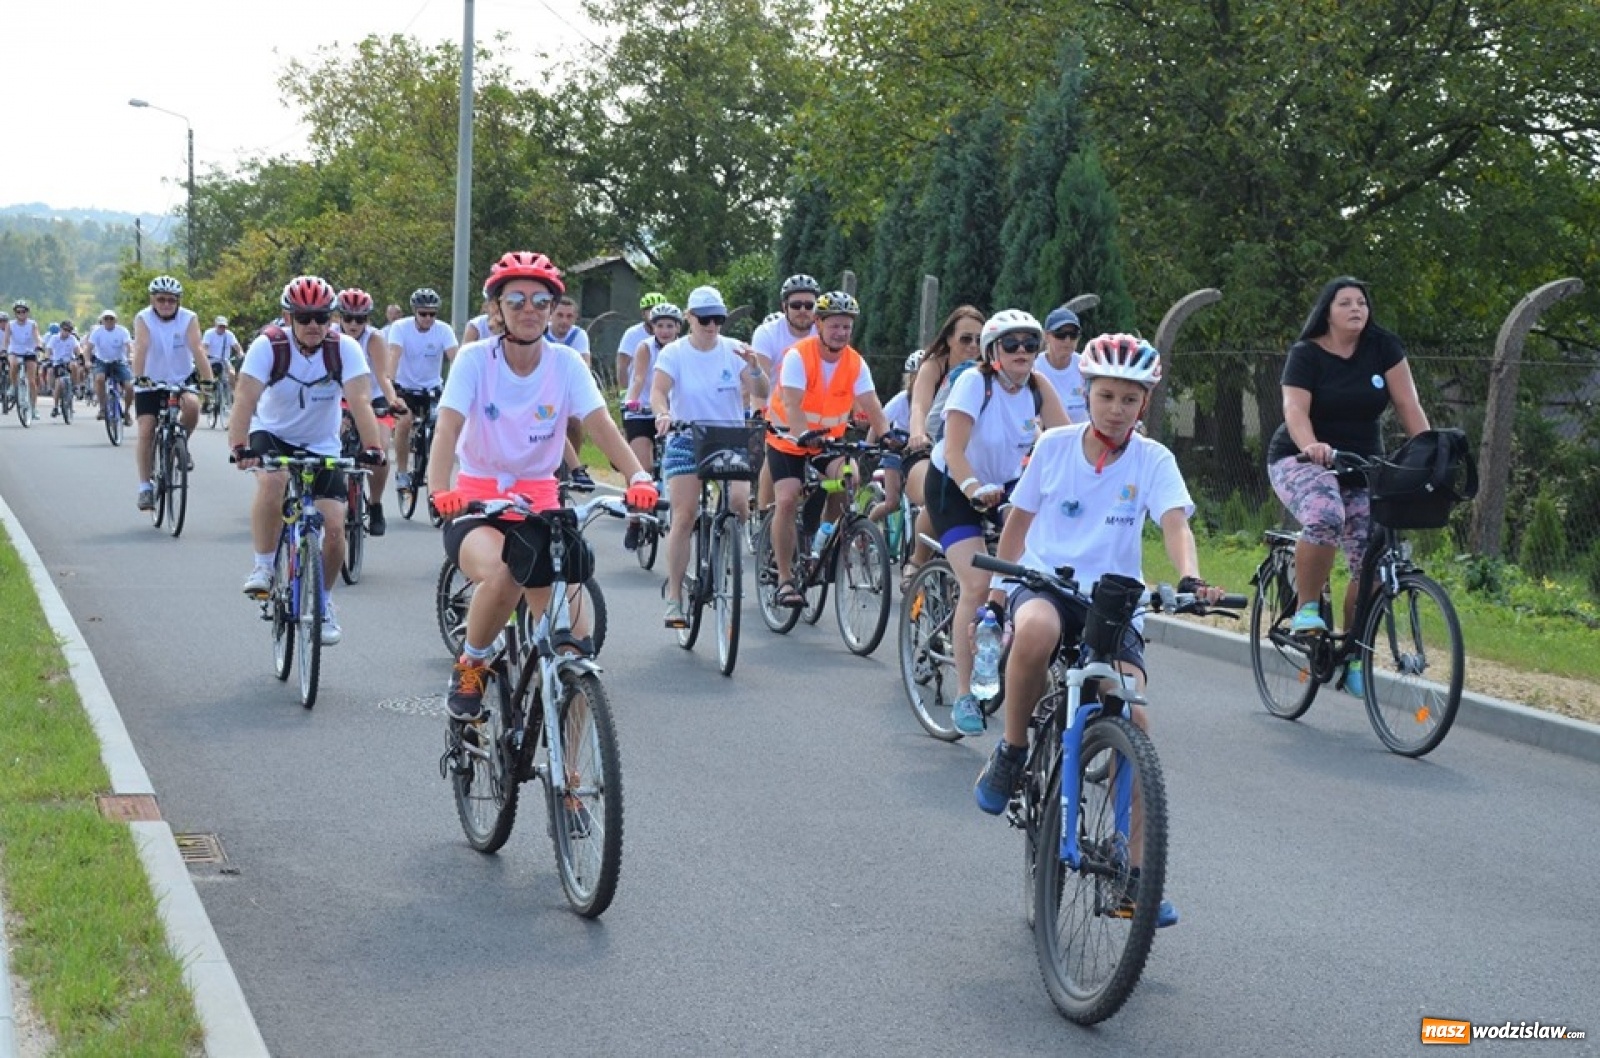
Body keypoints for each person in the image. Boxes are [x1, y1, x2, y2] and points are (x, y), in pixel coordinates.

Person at [970, 333, 1228, 929]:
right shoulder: (1055, 446)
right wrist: (1001, 591)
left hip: (1112, 600)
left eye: (1129, 399)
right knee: (1035, 631)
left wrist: (1190, 577)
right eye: (1106, 396)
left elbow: (1175, 524)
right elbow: (1019, 523)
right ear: (1086, 394)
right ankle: (1012, 750)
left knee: (1134, 716)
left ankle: (1132, 872)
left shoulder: (1153, 460)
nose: (1116, 409)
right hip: (1046, 584)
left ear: (1145, 404)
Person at [426, 251, 658, 723]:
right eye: (516, 300)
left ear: (553, 309)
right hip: (477, 503)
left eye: (540, 300)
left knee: (575, 647)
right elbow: (447, 428)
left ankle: (572, 764)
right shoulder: (475, 360)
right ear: (498, 308)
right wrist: (439, 489)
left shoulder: (565, 363)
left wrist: (637, 476)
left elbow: (601, 425)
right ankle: (472, 664)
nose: (529, 309)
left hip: (542, 507)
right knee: (504, 572)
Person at [1265, 276, 1431, 696]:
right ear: (1327, 312)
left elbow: (1409, 406)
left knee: (1374, 554)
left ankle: (1354, 655)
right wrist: (1312, 446)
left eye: (1362, 302)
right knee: (1325, 514)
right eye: (1345, 302)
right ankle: (1307, 608)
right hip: (1302, 459)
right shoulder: (1306, 354)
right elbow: (1294, 410)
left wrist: (1430, 455)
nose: (1356, 308)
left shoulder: (1383, 348)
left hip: (1362, 466)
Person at [924, 310, 1070, 734]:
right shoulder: (975, 382)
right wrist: (973, 488)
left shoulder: (1038, 387)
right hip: (955, 487)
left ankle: (1017, 645)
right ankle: (965, 695)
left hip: (1005, 488)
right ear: (993, 352)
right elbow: (954, 450)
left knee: (1038, 572)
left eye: (1030, 343)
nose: (1022, 351)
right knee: (977, 584)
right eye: (1011, 344)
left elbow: (1069, 441)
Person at [231, 276, 386, 646]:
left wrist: (373, 447)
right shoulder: (269, 346)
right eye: (304, 317)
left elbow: (360, 400)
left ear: (332, 318)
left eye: (321, 317)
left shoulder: (344, 348)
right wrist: (239, 445)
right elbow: (245, 397)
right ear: (289, 317)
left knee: (334, 528)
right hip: (272, 431)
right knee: (273, 480)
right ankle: (264, 567)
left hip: (321, 443)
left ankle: (324, 603)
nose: (313, 324)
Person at [764, 290, 898, 608]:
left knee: (850, 477)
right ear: (819, 324)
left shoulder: (855, 362)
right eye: (835, 325)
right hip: (787, 439)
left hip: (828, 442)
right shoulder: (798, 355)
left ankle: (823, 538)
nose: (840, 333)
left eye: (846, 327)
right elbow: (793, 404)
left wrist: (889, 436)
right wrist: (803, 435)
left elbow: (872, 404)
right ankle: (784, 579)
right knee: (787, 498)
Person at [650, 286, 769, 626]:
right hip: (686, 437)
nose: (712, 326)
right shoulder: (674, 353)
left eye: (718, 319)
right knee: (684, 515)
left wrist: (755, 368)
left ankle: (724, 546)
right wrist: (663, 414)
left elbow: (762, 391)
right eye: (705, 319)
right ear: (689, 318)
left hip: (729, 439)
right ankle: (675, 596)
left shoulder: (734, 350)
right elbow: (658, 391)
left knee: (739, 502)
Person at [900, 305, 986, 589]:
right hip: (927, 450)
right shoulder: (933, 366)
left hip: (968, 455)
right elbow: (919, 406)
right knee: (937, 491)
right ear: (949, 339)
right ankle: (916, 560)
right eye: (965, 339)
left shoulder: (990, 370)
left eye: (979, 339)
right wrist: (917, 434)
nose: (973, 346)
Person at [131, 276, 214, 510]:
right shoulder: (143, 318)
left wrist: (208, 380)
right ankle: (145, 488)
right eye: (161, 300)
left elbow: (197, 349)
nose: (166, 304)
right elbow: (141, 347)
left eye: (171, 300)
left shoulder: (188, 318)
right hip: (150, 380)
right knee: (147, 428)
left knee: (193, 406)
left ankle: (180, 445)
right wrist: (139, 376)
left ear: (178, 301)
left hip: (180, 378)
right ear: (152, 300)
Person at [749, 275, 820, 508]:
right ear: (784, 307)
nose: (803, 311)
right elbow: (759, 379)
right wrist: (759, 411)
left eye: (809, 305)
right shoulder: (768, 333)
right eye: (796, 305)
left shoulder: (823, 332)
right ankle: (764, 514)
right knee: (774, 455)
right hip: (777, 407)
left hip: (814, 409)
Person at [335, 287, 402, 535]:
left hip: (372, 399)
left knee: (380, 449)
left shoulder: (374, 338)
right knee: (329, 441)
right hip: (340, 398)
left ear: (368, 319)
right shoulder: (330, 336)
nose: (354, 324)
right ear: (339, 317)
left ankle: (375, 504)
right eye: (348, 318)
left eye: (360, 319)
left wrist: (393, 401)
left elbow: (383, 377)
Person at [620, 301, 684, 550]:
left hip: (672, 413)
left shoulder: (683, 349)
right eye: (660, 326)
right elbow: (638, 377)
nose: (665, 331)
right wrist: (631, 401)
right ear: (652, 327)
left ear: (678, 328)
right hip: (644, 411)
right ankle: (635, 521)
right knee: (642, 468)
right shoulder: (645, 347)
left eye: (670, 326)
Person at [388, 287, 459, 497]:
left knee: (441, 426)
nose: (428, 318)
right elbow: (393, 355)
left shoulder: (444, 330)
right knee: (404, 422)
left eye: (432, 314)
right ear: (414, 312)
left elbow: (456, 359)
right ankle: (402, 472)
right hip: (405, 387)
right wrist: (391, 385)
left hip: (432, 388)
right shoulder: (400, 328)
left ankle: (435, 471)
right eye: (423, 313)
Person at [865, 349, 920, 528]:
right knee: (892, 503)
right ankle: (865, 530)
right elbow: (878, 421)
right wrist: (869, 446)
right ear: (909, 378)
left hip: (918, 454)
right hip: (896, 451)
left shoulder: (936, 400)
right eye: (916, 377)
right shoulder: (902, 399)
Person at [1033, 305, 1088, 422]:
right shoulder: (1034, 369)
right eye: (1060, 334)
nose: (1067, 340)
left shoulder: (1086, 366)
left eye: (1073, 335)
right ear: (1046, 336)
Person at [616, 291, 667, 401]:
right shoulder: (632, 334)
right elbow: (622, 366)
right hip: (639, 398)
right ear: (643, 314)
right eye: (651, 310)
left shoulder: (670, 334)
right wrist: (624, 392)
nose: (655, 313)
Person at [85, 309, 134, 422]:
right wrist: (87, 361)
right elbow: (88, 348)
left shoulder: (122, 331)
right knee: (99, 379)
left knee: (129, 387)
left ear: (115, 320)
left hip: (119, 361)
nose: (108, 321)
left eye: (111, 318)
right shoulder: (97, 332)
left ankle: (126, 412)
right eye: (106, 318)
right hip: (102, 361)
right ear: (102, 321)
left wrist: (130, 356)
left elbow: (129, 346)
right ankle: (102, 408)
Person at [4, 300, 42, 412]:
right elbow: (6, 339)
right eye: (18, 312)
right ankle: (13, 385)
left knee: (32, 381)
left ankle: (34, 408)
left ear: (27, 312)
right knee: (13, 364)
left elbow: (37, 337)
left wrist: (38, 345)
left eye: (23, 311)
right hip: (15, 351)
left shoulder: (32, 324)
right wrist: (4, 349)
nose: (21, 314)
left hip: (29, 352)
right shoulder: (10, 324)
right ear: (15, 313)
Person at [44, 320, 83, 415]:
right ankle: (55, 407)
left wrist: (80, 356)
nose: (67, 332)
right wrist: (47, 358)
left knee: (74, 365)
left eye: (69, 330)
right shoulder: (54, 338)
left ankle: (75, 386)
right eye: (65, 330)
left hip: (69, 361)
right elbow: (48, 350)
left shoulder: (72, 338)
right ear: (61, 329)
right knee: (59, 383)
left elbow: (77, 349)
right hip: (58, 363)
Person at [202, 316, 243, 394]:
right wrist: (204, 359)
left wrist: (241, 354)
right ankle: (207, 398)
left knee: (232, 373)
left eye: (224, 326)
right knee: (207, 380)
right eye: (220, 326)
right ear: (215, 325)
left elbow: (237, 347)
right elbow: (204, 347)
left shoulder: (229, 335)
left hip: (225, 360)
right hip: (211, 360)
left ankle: (233, 394)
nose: (222, 328)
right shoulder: (209, 333)